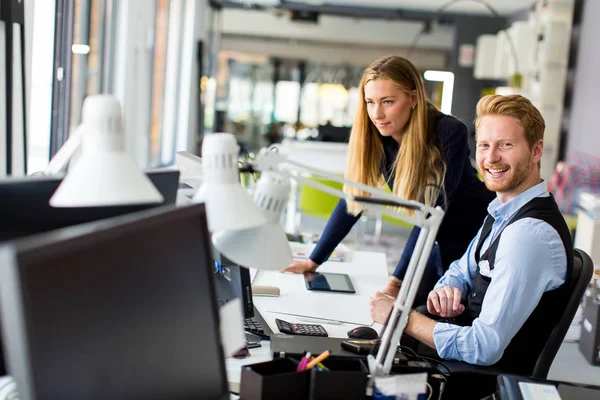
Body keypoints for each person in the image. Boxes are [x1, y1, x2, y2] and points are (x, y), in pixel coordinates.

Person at [370, 94, 573, 375]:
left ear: (536, 151)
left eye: (506, 145)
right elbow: (460, 269)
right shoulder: (501, 213)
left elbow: (484, 347)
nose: (490, 158)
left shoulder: (527, 235)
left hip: (468, 381)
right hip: (451, 366)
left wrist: (400, 318)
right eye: (484, 145)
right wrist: (448, 289)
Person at [282, 55, 494, 306]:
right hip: (434, 244)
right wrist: (314, 260)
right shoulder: (380, 138)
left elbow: (431, 213)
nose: (377, 113)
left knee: (433, 317)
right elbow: (353, 201)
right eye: (370, 102)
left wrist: (395, 282)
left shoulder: (448, 132)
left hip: (477, 240)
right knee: (407, 315)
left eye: (388, 102)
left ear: (413, 98)